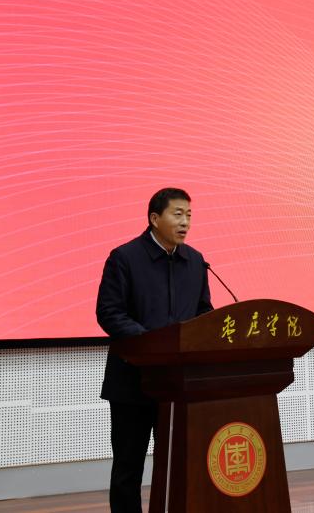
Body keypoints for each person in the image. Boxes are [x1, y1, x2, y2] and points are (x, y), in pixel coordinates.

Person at [96, 187, 213, 513]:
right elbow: (109, 313)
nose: (185, 222)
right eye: (178, 214)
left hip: (178, 386)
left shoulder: (195, 261)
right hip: (132, 383)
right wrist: (152, 343)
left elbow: (204, 312)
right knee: (128, 467)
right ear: (154, 218)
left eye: (189, 215)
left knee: (177, 464)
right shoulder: (125, 258)